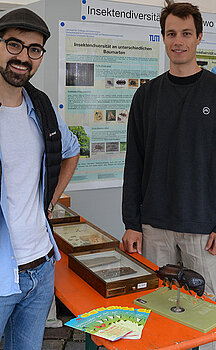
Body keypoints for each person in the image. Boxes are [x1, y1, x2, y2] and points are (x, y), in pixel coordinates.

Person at [122, 4, 216, 348]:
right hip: (154, 225)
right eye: (171, 34)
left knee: (203, 318)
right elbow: (134, 163)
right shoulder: (146, 95)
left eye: (186, 33)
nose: (178, 41)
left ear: (199, 37)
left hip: (204, 229)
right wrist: (131, 222)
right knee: (153, 310)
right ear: (163, 38)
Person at [0, 8, 80, 350]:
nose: (23, 57)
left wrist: (51, 199)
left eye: (34, 50)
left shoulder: (40, 104)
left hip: (42, 267)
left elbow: (71, 150)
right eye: (14, 45)